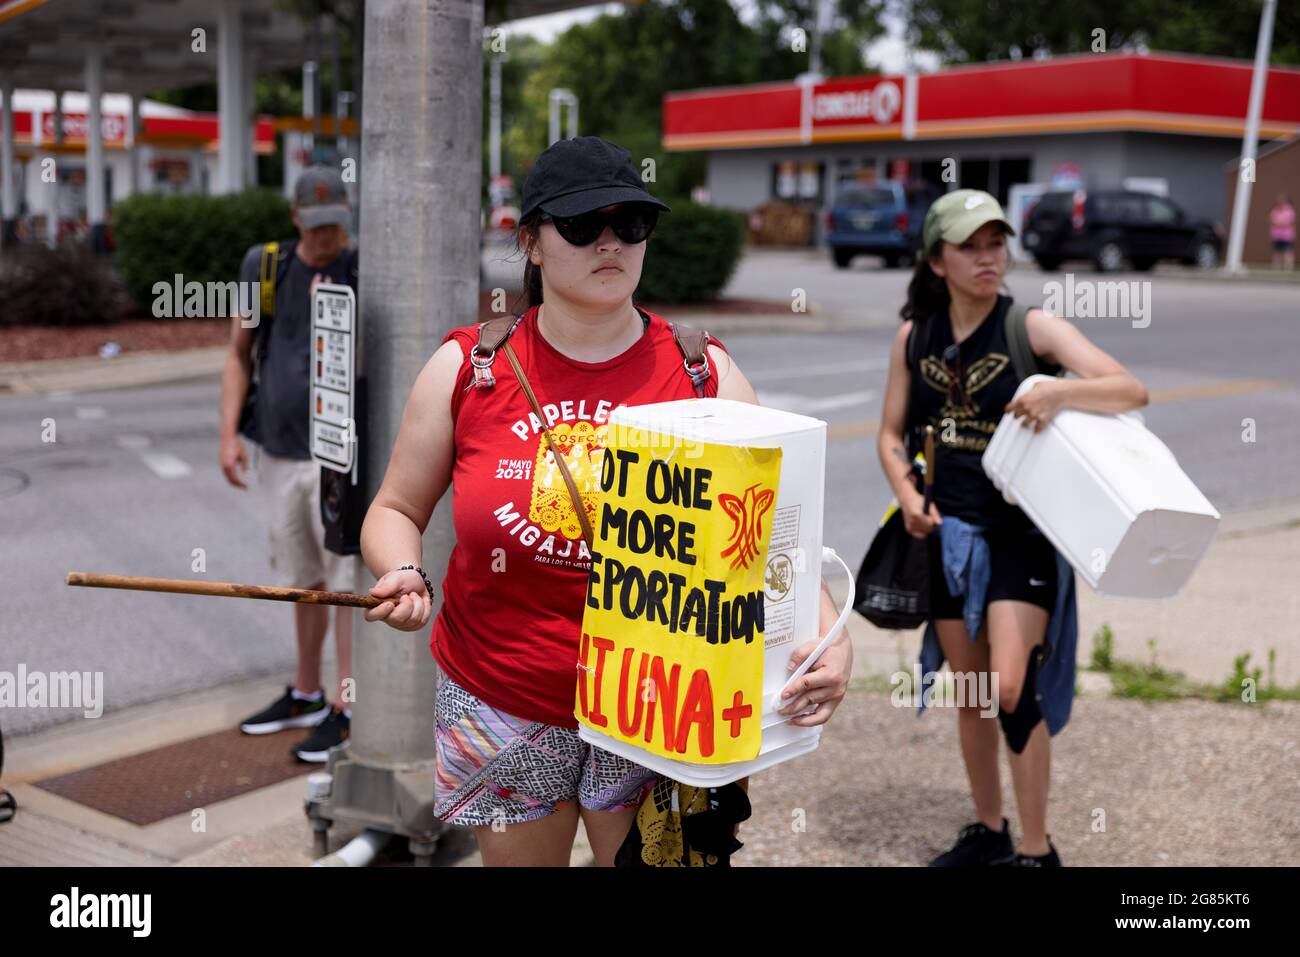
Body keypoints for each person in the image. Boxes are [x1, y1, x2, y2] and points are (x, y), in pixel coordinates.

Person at [359, 136, 853, 866]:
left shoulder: (703, 372)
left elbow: (775, 536)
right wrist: (402, 568)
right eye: (584, 225)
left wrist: (830, 636)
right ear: (529, 241)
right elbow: (395, 508)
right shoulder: (469, 367)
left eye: (631, 224)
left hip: (664, 706)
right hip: (504, 696)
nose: (611, 242)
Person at [876, 189, 1147, 867]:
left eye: (996, 243)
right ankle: (988, 829)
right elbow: (887, 435)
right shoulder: (915, 337)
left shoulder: (1030, 326)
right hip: (945, 534)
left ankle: (1034, 850)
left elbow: (1129, 388)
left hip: (1020, 533)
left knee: (1009, 687)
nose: (987, 257)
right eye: (970, 245)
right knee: (970, 693)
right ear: (938, 259)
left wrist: (1059, 391)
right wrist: (907, 493)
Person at [219, 166, 361, 762]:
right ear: (296, 216)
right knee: (301, 580)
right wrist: (227, 433)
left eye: (337, 223)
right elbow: (238, 352)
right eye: (317, 223)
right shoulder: (266, 267)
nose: (328, 235)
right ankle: (306, 691)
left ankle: (349, 708)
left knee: (349, 584)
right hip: (278, 447)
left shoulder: (364, 268)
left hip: (343, 455)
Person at [1270, 193, 1296, 270]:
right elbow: (1271, 219)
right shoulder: (1276, 210)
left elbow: (1287, 222)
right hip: (1276, 235)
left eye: (1282, 200)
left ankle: (1288, 268)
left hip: (1286, 236)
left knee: (1287, 252)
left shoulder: (1289, 211)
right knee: (1276, 252)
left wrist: (1278, 222)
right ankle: (1276, 268)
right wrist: (1279, 222)